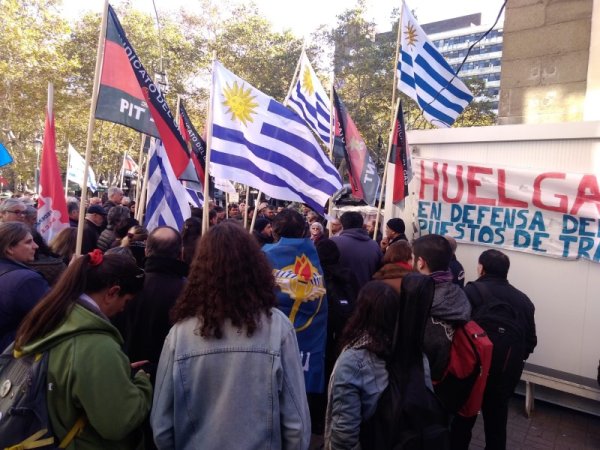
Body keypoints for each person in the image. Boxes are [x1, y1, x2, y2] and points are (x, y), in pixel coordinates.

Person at [151, 222, 310, 448]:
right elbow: (296, 422)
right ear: (255, 268)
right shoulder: (277, 328)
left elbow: (162, 425)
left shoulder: (180, 334)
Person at [13, 251, 151, 448]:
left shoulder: (52, 314)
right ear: (112, 292)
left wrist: (113, 374)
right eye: (126, 301)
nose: (123, 309)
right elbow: (118, 423)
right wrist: (142, 382)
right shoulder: (96, 346)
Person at [454, 249, 537, 450]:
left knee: (462, 421)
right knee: (497, 423)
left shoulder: (470, 292)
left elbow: (456, 329)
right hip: (504, 373)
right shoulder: (524, 300)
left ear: (481, 268)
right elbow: (531, 342)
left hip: (473, 370)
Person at [263, 209, 327, 434]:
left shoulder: (262, 257)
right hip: (307, 349)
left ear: (274, 232)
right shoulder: (315, 255)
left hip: (269, 346)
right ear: (303, 231)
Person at [412, 234, 471, 382]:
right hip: (448, 383)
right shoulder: (460, 296)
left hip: (417, 384)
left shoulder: (417, 299)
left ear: (420, 263)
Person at [0, 222, 49, 351]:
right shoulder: (27, 281)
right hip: (13, 355)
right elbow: (53, 314)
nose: (36, 246)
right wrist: (72, 275)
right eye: (28, 242)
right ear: (9, 248)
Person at [331, 211, 382, 288]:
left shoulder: (333, 243)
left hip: (340, 295)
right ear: (362, 225)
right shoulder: (374, 245)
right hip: (366, 293)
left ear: (342, 225)